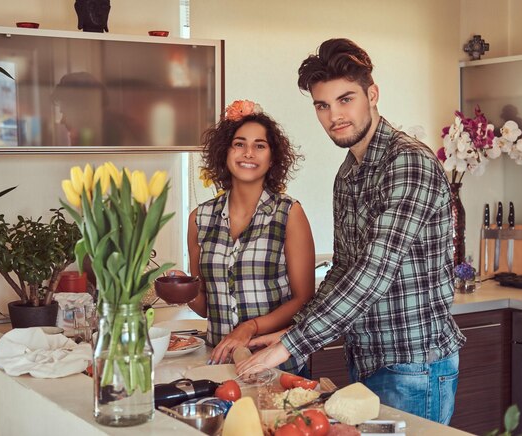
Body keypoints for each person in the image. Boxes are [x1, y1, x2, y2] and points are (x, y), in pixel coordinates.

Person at [237, 39, 466, 424]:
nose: (334, 116)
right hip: (366, 360)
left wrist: (290, 344)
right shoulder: (347, 174)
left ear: (372, 94)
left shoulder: (408, 163)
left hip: (414, 366)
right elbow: (344, 267)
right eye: (323, 106)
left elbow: (374, 271)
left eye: (346, 100)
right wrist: (294, 330)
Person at [185, 100, 316, 375]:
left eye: (260, 145)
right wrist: (182, 292)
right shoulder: (200, 219)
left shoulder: (289, 213)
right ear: (225, 152)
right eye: (239, 144)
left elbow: (303, 299)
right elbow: (207, 307)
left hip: (277, 365)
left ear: (272, 158)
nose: (248, 153)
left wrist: (250, 327)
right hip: (219, 366)